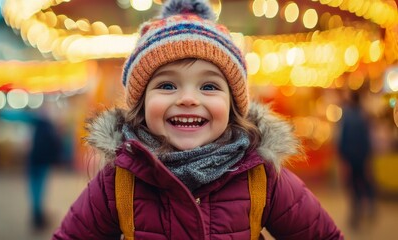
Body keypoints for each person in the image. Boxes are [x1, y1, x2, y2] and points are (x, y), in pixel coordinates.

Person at [53, 0, 343, 239]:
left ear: (233, 106)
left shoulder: (262, 177)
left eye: (209, 86)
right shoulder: (119, 180)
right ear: (141, 104)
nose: (188, 99)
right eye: (167, 86)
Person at [337, 90, 375, 229]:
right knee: (364, 181)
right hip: (362, 156)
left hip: (350, 156)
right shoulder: (363, 115)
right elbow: (367, 139)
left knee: (353, 185)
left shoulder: (347, 116)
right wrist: (368, 156)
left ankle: (356, 211)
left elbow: (342, 138)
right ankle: (368, 206)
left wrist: (342, 156)